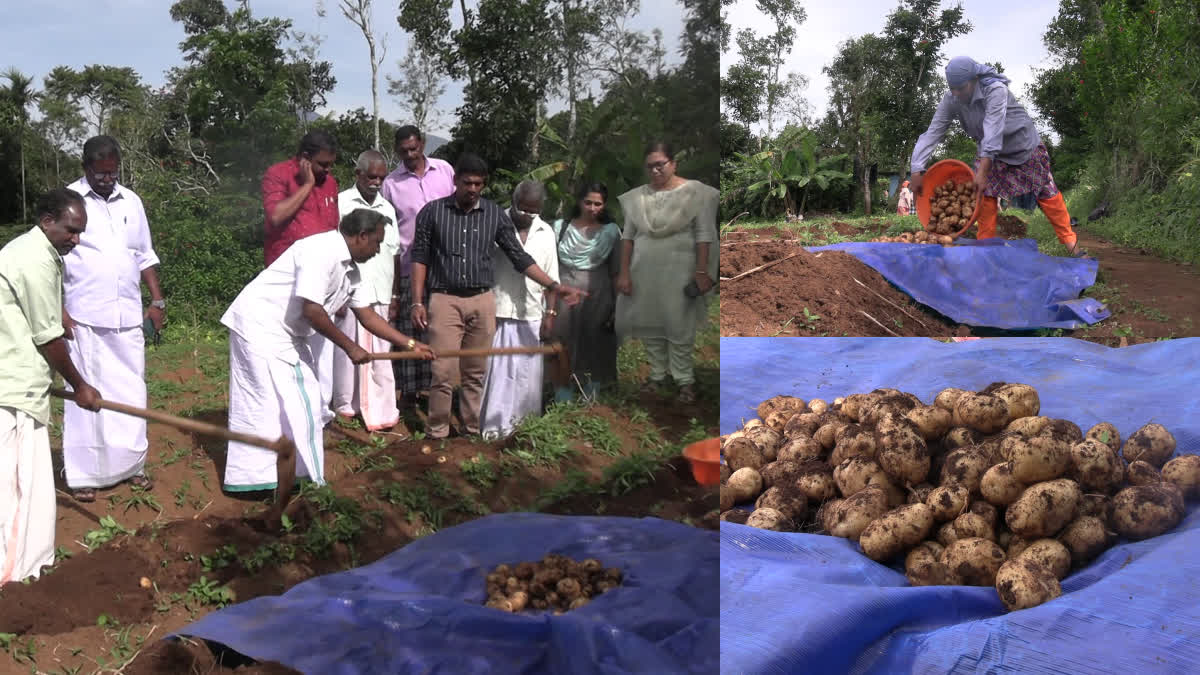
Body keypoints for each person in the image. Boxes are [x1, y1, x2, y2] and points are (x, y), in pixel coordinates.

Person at [220, 209, 434, 492]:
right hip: (261, 325)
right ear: (362, 236)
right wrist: (350, 347)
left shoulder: (351, 271)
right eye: (377, 242)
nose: (379, 249)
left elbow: (367, 315)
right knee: (278, 401)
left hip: (283, 332)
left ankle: (285, 477)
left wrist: (409, 343)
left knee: (289, 401)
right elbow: (313, 311)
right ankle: (279, 480)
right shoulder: (320, 251)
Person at [409, 153, 585, 440]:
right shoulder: (432, 212)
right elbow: (419, 258)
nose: (473, 189)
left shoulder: (493, 215)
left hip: (482, 300)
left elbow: (519, 257)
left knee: (475, 372)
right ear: (456, 181)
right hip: (444, 299)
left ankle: (470, 431)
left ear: (484, 184)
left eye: (479, 184)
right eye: (468, 183)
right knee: (442, 370)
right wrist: (417, 301)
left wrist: (554, 286)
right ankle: (437, 431)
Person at [1, 189, 101, 584]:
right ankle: (13, 578)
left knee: (32, 486)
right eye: (71, 231)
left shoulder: (31, 251)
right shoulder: (36, 259)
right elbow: (47, 339)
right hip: (14, 388)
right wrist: (80, 386)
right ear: (47, 221)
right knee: (18, 490)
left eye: (80, 233)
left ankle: (32, 567)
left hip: (17, 382)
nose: (75, 240)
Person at [62, 136, 165, 503]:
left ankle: (131, 465)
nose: (107, 179)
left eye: (112, 172)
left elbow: (144, 254)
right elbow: (54, 256)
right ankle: (84, 474)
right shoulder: (68, 202)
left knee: (130, 389)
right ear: (85, 167)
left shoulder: (131, 201)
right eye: (99, 173)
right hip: (83, 315)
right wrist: (58, 309)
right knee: (85, 393)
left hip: (127, 316)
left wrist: (157, 301)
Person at [909, 56, 1087, 257]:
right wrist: (916, 168)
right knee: (984, 198)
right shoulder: (952, 99)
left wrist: (983, 171)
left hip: (1022, 147)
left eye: (961, 88)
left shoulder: (995, 90)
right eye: (952, 88)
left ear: (974, 79)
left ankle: (1073, 247)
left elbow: (993, 130)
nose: (956, 93)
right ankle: (985, 253)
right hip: (990, 152)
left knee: (1047, 194)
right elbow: (934, 132)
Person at [614, 141, 718, 405]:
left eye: (660, 164)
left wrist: (702, 271)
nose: (655, 170)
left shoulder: (695, 193)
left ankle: (684, 381)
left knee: (678, 322)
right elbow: (628, 237)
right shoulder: (637, 197)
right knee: (650, 322)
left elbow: (704, 235)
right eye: (650, 166)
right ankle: (657, 375)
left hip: (680, 270)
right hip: (643, 270)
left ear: (673, 163)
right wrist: (624, 273)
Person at [262, 130, 342, 427]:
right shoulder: (277, 175)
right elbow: (276, 217)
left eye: (331, 165)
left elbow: (333, 229)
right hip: (285, 278)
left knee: (322, 349)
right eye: (323, 165)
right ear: (305, 159)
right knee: (288, 346)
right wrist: (308, 185)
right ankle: (289, 412)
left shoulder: (331, 183)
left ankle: (319, 413)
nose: (328, 171)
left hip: (321, 278)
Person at [380, 126, 456, 418]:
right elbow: (389, 232)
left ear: (422, 144)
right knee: (412, 327)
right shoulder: (391, 184)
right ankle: (409, 393)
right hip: (410, 265)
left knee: (441, 327)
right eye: (404, 151)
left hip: (444, 265)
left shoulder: (445, 171)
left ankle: (437, 389)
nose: (410, 155)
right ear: (397, 151)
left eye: (414, 149)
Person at [479, 180, 560, 440]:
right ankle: (493, 430)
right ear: (513, 202)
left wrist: (551, 313)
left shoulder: (546, 232)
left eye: (533, 211)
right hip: (499, 310)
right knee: (497, 376)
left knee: (527, 378)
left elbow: (551, 276)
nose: (527, 215)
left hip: (531, 313)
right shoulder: (493, 223)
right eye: (522, 209)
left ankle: (524, 429)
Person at [330, 151, 403, 432]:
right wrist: (337, 291)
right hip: (350, 289)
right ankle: (346, 409)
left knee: (381, 355)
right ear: (358, 174)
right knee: (347, 353)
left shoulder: (388, 208)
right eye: (371, 176)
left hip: (382, 290)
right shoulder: (342, 202)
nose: (376, 182)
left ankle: (383, 412)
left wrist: (395, 295)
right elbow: (334, 249)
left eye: (381, 178)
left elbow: (394, 252)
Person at [550, 182, 622, 401]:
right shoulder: (560, 227)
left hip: (598, 293)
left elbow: (616, 271)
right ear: (580, 201)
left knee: (594, 341)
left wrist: (617, 306)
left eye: (598, 204)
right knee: (561, 340)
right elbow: (548, 265)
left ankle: (590, 394)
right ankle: (560, 393)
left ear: (604, 205)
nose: (592, 208)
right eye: (588, 202)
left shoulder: (611, 232)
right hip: (563, 292)